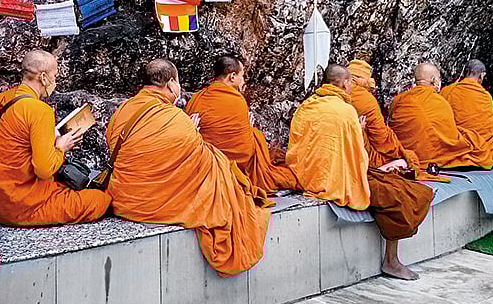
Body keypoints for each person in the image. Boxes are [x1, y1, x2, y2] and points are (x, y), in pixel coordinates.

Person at [106, 59, 270, 276]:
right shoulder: (176, 118)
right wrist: (191, 133)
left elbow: (117, 146)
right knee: (218, 164)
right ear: (172, 84)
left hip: (124, 201)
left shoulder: (123, 111)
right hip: (155, 204)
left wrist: (188, 133)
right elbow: (195, 162)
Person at [287, 64, 433, 279]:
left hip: (303, 177)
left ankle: (392, 260)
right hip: (335, 181)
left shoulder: (306, 106)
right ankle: (391, 261)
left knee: (394, 186)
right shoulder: (346, 111)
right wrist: (359, 131)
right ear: (346, 83)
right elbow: (358, 161)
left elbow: (298, 146)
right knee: (402, 196)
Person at [0, 50, 110, 225]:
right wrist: (61, 147)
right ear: (44, 78)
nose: (55, 82)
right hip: (23, 206)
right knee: (100, 200)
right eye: (55, 76)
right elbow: (44, 170)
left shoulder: (2, 99)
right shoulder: (39, 110)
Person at [185, 55, 299, 192]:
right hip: (230, 169)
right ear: (232, 76)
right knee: (256, 138)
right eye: (242, 76)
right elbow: (244, 153)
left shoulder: (197, 98)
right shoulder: (236, 100)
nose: (243, 81)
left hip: (202, 168)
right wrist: (250, 132)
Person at [388, 62, 493, 169]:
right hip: (434, 155)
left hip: (406, 153)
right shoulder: (440, 102)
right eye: (439, 78)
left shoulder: (398, 100)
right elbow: (449, 136)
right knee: (475, 142)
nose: (440, 81)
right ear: (433, 80)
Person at [347, 60, 424, 174]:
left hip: (336, 152)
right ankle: (378, 171)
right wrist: (398, 151)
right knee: (409, 158)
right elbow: (380, 138)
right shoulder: (366, 100)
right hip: (360, 154)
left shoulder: (327, 96)